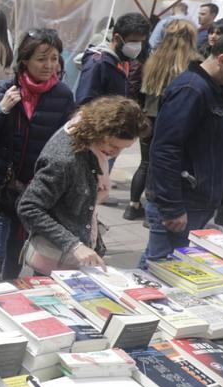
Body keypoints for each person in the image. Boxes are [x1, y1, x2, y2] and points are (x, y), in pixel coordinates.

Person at [143, 29, 223, 264]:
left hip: (196, 199)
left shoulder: (212, 87)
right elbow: (165, 149)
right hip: (182, 200)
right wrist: (172, 207)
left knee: (168, 263)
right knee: (159, 265)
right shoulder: (191, 89)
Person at [0, 29, 77, 280]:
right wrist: (0, 111)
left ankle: (8, 292)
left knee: (16, 248)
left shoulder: (63, 95)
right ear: (25, 60)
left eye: (54, 58)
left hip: (32, 186)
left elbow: (65, 142)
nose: (49, 65)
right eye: (41, 59)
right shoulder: (4, 89)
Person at [18, 96, 149, 273]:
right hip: (55, 260)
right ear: (100, 130)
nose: (115, 153)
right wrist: (73, 245)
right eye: (113, 146)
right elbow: (28, 207)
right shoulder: (64, 159)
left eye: (123, 149)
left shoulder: (89, 144)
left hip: (77, 254)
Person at [125, 20, 198, 220]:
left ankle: (132, 206)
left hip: (148, 117)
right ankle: (151, 212)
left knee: (145, 163)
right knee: (162, 166)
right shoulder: (190, 64)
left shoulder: (153, 59)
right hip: (172, 120)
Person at [74, 13, 152, 106]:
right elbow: (84, 102)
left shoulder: (122, 61)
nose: (137, 47)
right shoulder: (99, 64)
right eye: (133, 41)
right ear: (116, 38)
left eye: (141, 42)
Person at [150, 2, 218, 49]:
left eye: (203, 14)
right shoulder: (197, 29)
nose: (198, 16)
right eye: (199, 13)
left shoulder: (210, 34)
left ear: (213, 15)